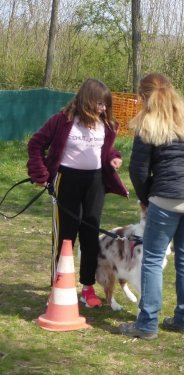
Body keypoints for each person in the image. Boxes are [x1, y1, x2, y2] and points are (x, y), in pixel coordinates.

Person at [119, 73, 184, 340]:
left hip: (167, 198)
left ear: (141, 96)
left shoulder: (146, 123)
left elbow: (138, 171)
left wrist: (145, 197)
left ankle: (147, 323)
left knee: (151, 258)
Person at [27, 78, 128, 308]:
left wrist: (114, 157)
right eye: (100, 104)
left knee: (91, 237)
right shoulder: (62, 121)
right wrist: (41, 174)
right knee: (65, 236)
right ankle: (58, 286)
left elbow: (105, 150)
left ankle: (87, 288)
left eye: (106, 105)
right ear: (87, 100)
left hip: (94, 183)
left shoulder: (107, 125)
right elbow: (36, 144)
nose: (103, 109)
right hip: (67, 181)